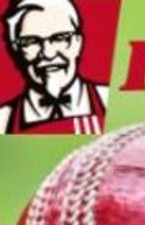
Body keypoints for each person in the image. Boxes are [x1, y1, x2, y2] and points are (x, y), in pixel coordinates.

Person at [1, 0, 108, 135]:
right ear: (16, 49)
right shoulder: (3, 120)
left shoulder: (109, 100)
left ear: (78, 43)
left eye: (60, 38)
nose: (48, 53)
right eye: (31, 42)